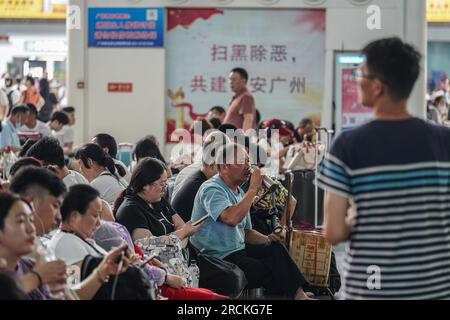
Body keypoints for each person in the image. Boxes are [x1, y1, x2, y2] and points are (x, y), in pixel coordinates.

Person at [317, 37, 450, 300]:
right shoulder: (443, 139)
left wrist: (359, 216)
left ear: (377, 86)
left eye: (361, 74)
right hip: (435, 287)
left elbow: (333, 232)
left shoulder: (348, 144)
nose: (357, 80)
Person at [190, 143, 312, 300]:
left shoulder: (239, 191)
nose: (248, 166)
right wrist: (253, 189)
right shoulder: (212, 189)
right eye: (242, 161)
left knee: (275, 249)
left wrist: (267, 239)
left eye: (248, 160)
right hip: (217, 258)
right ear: (224, 167)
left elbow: (246, 232)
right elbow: (231, 219)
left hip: (237, 251)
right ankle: (290, 292)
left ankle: (298, 294)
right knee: (270, 271)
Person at [47, 185, 131, 289]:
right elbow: (75, 292)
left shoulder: (76, 239)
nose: (99, 223)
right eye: (95, 216)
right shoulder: (66, 243)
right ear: (74, 216)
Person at [114, 157, 200, 244]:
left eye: (166, 184)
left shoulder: (158, 200)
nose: (164, 189)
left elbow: (180, 225)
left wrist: (179, 239)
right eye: (162, 184)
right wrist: (183, 233)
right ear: (145, 185)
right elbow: (149, 245)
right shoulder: (130, 210)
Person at [0, 192, 66, 300]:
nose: (31, 228)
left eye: (31, 220)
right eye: (20, 221)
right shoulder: (37, 273)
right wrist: (37, 277)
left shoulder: (30, 266)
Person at [171, 139, 222, 222]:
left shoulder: (198, 178)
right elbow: (229, 219)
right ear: (212, 165)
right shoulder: (203, 187)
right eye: (224, 166)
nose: (227, 170)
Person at [223, 68, 257, 132]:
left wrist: (243, 140)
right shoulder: (237, 97)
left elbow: (248, 119)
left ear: (244, 81)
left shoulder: (246, 96)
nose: (230, 82)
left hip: (238, 140)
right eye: (230, 79)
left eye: (234, 79)